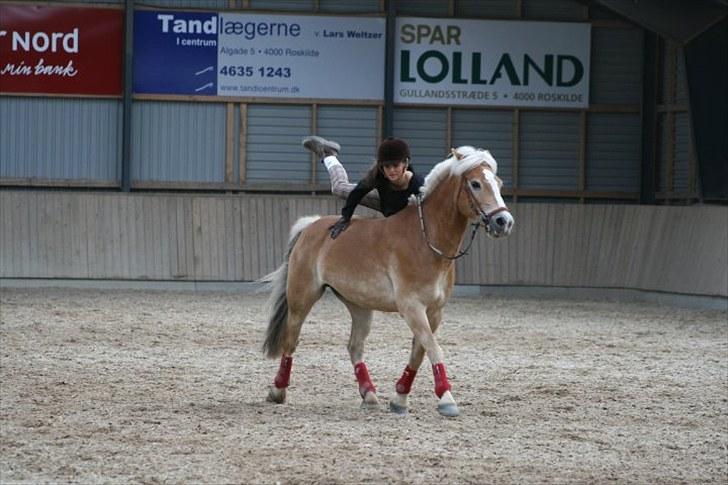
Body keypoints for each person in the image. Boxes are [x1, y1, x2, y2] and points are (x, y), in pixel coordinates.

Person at [303, 136, 425, 239]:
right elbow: (357, 193)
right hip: (383, 201)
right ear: (381, 167)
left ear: (406, 163)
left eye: (395, 165)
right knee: (338, 188)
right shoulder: (378, 175)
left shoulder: (419, 185)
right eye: (387, 166)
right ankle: (329, 155)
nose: (391, 171)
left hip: (404, 211)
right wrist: (345, 217)